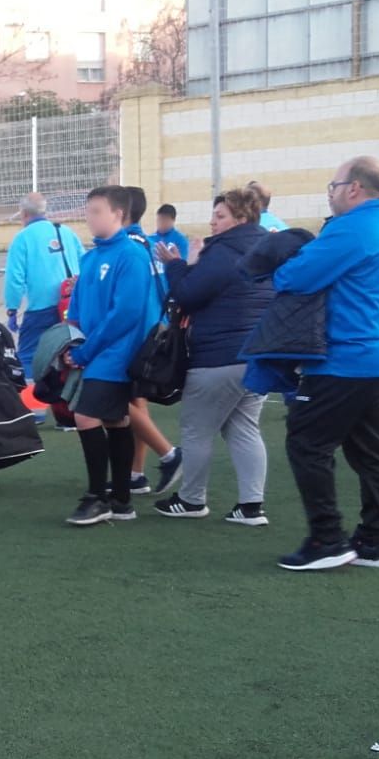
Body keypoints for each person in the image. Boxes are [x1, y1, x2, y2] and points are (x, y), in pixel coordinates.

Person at [272, 156, 379, 571]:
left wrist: (284, 257)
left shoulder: (352, 228)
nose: (329, 193)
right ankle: (373, 541)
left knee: (307, 444)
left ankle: (328, 539)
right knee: (370, 452)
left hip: (343, 359)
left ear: (354, 188)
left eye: (333, 185)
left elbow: (293, 278)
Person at [152, 188, 274, 525]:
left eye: (220, 216)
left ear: (241, 217)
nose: (213, 221)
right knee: (244, 429)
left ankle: (192, 500)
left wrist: (176, 265)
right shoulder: (264, 250)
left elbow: (187, 295)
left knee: (196, 430)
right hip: (255, 355)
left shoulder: (224, 253)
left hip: (219, 356)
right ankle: (251, 506)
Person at [65, 186, 163, 525]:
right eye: (88, 210)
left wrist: (88, 351)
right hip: (95, 351)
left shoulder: (131, 255)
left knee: (85, 416)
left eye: (96, 211)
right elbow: (76, 310)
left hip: (117, 353)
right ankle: (122, 501)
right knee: (116, 420)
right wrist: (72, 342)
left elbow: (127, 313)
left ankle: (98, 496)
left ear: (118, 214)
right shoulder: (90, 257)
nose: (88, 217)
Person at [122, 186, 183, 495]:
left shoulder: (128, 248)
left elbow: (129, 299)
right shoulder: (147, 243)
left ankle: (169, 454)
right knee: (136, 402)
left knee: (117, 399)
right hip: (153, 332)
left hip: (136, 336)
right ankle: (135, 473)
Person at [6, 193, 85, 387]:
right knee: (69, 350)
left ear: (24, 214)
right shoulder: (66, 232)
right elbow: (85, 263)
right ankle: (68, 402)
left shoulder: (22, 238)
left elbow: (14, 278)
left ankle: (34, 408)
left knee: (28, 355)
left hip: (41, 308)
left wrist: (12, 309)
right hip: (72, 305)